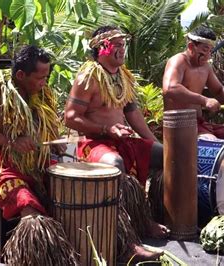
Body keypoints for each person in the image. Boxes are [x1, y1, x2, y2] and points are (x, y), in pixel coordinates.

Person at [0, 45, 77, 265]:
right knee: (26, 203)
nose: (44, 82)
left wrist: (54, 145)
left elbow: (45, 129)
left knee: (72, 186)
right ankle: (34, 256)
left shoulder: (39, 94)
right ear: (21, 75)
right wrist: (9, 141)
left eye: (46, 77)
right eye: (40, 77)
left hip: (32, 163)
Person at [64, 25, 168, 262]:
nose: (122, 50)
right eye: (117, 45)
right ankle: (128, 240)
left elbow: (131, 111)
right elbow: (69, 117)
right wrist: (105, 129)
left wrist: (151, 142)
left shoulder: (123, 76)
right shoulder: (88, 77)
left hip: (122, 139)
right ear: (102, 47)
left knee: (166, 155)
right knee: (115, 163)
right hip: (93, 143)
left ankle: (148, 218)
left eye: (123, 45)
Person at [162, 25, 224, 140]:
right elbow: (170, 88)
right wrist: (204, 100)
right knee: (211, 141)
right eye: (205, 50)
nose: (208, 55)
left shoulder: (206, 67)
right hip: (178, 126)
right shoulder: (178, 61)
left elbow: (218, 90)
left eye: (210, 51)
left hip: (199, 123)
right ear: (191, 46)